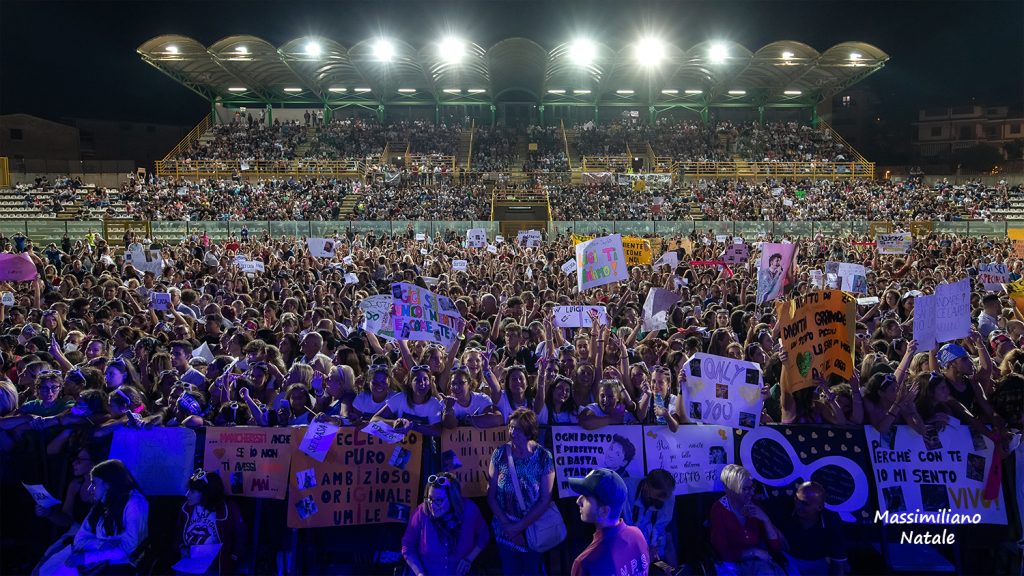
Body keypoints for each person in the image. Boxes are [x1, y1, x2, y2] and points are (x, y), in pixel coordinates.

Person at [487, 407, 556, 575]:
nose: (511, 432)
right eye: (510, 427)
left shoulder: (543, 457)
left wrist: (520, 527)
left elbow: (545, 499)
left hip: (533, 530)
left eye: (517, 429)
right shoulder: (500, 453)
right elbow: (491, 495)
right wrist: (508, 526)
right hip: (505, 531)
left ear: (528, 431)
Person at [59, 459, 149, 574]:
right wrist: (102, 544)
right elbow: (79, 539)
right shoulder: (99, 506)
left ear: (108, 484)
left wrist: (90, 556)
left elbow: (131, 547)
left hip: (124, 565)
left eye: (94, 483)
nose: (90, 488)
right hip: (99, 561)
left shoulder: (135, 503)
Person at [401, 473, 489, 576]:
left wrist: (469, 559)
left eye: (439, 500)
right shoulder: (422, 512)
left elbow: (484, 536)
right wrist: (420, 572)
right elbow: (407, 546)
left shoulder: (469, 510)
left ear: (452, 499)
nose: (432, 505)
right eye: (430, 499)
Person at [569, 468, 650, 576]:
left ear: (603, 511)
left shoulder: (586, 563)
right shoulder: (637, 535)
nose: (578, 501)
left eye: (586, 497)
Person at [709, 464, 786, 575]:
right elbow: (722, 552)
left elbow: (775, 547)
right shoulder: (718, 509)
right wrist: (753, 552)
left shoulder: (755, 504)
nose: (751, 492)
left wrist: (765, 520)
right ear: (730, 490)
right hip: (731, 564)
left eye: (752, 487)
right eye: (745, 489)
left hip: (756, 562)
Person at [176, 469, 246, 575]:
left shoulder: (229, 509)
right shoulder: (186, 508)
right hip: (189, 561)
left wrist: (232, 557)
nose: (187, 495)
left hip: (214, 565)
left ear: (206, 494)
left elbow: (240, 536)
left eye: (192, 491)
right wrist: (182, 547)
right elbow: (178, 532)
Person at [772, 482, 848, 576]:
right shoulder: (784, 505)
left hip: (817, 562)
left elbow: (838, 560)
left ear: (820, 507)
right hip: (788, 559)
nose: (798, 506)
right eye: (797, 500)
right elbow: (757, 508)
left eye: (805, 504)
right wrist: (774, 528)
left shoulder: (831, 520)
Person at [622, 469, 677, 566]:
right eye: (656, 498)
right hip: (628, 556)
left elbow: (668, 537)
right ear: (646, 487)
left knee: (668, 571)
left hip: (656, 558)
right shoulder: (624, 490)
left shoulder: (669, 499)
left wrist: (674, 570)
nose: (658, 505)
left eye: (663, 501)